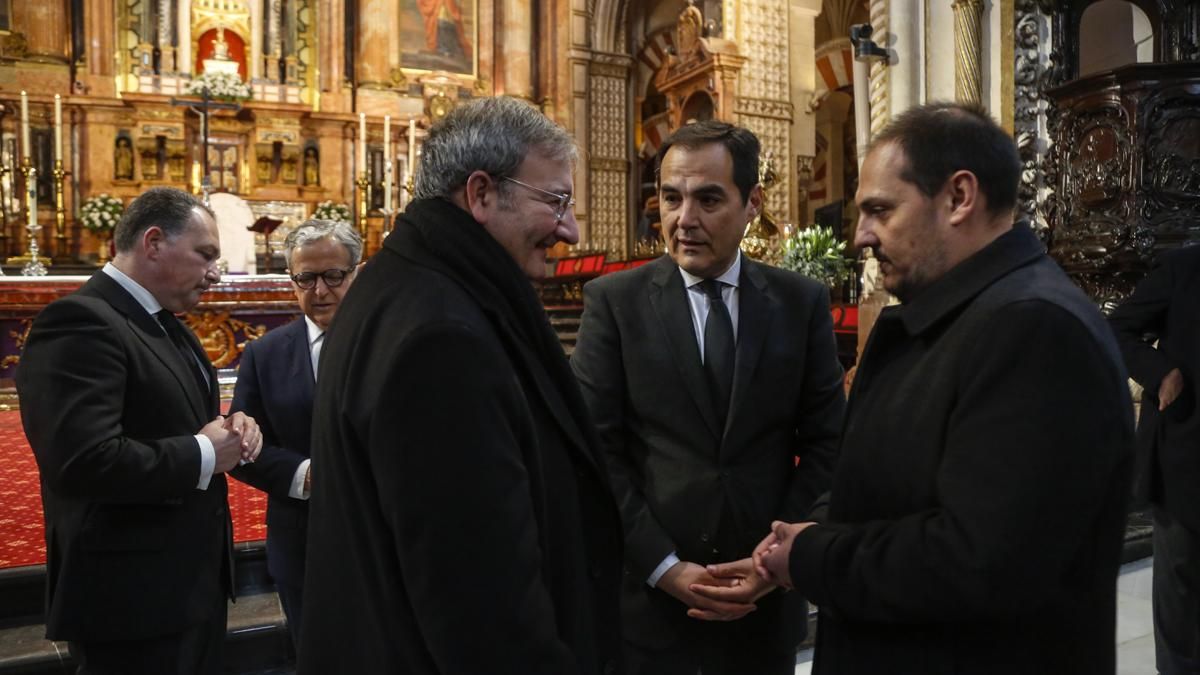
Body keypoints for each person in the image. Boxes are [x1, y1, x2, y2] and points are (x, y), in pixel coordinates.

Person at [732, 103, 1134, 674]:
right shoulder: (959, 317)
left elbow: (980, 561)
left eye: (880, 210)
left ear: (958, 197)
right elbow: (891, 483)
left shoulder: (1035, 329)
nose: (860, 236)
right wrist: (816, 524)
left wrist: (813, 555)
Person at [298, 96, 624, 675]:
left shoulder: (409, 287)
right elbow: (481, 605)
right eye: (556, 201)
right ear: (481, 194)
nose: (571, 230)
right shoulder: (442, 337)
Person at [570, 120, 845, 675]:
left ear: (752, 204)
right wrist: (665, 567)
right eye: (671, 198)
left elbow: (828, 445)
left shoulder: (800, 303)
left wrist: (773, 560)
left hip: (763, 610)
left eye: (709, 199)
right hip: (649, 609)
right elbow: (595, 454)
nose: (684, 219)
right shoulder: (615, 304)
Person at [16, 186, 263, 675]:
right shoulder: (81, 321)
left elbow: (175, 418)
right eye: (206, 254)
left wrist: (231, 426)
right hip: (129, 597)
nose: (215, 271)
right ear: (153, 243)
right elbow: (81, 461)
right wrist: (204, 452)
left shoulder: (165, 322)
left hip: (187, 584)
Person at [228, 218, 362, 647]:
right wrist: (305, 475)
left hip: (383, 537)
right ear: (292, 280)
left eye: (333, 276)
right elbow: (241, 445)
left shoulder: (393, 340)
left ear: (356, 273)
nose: (319, 290)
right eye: (306, 278)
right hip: (302, 540)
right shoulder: (264, 354)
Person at [1109, 245, 1200, 675]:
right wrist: (1162, 372)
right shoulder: (1185, 268)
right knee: (1179, 594)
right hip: (1186, 458)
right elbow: (1118, 328)